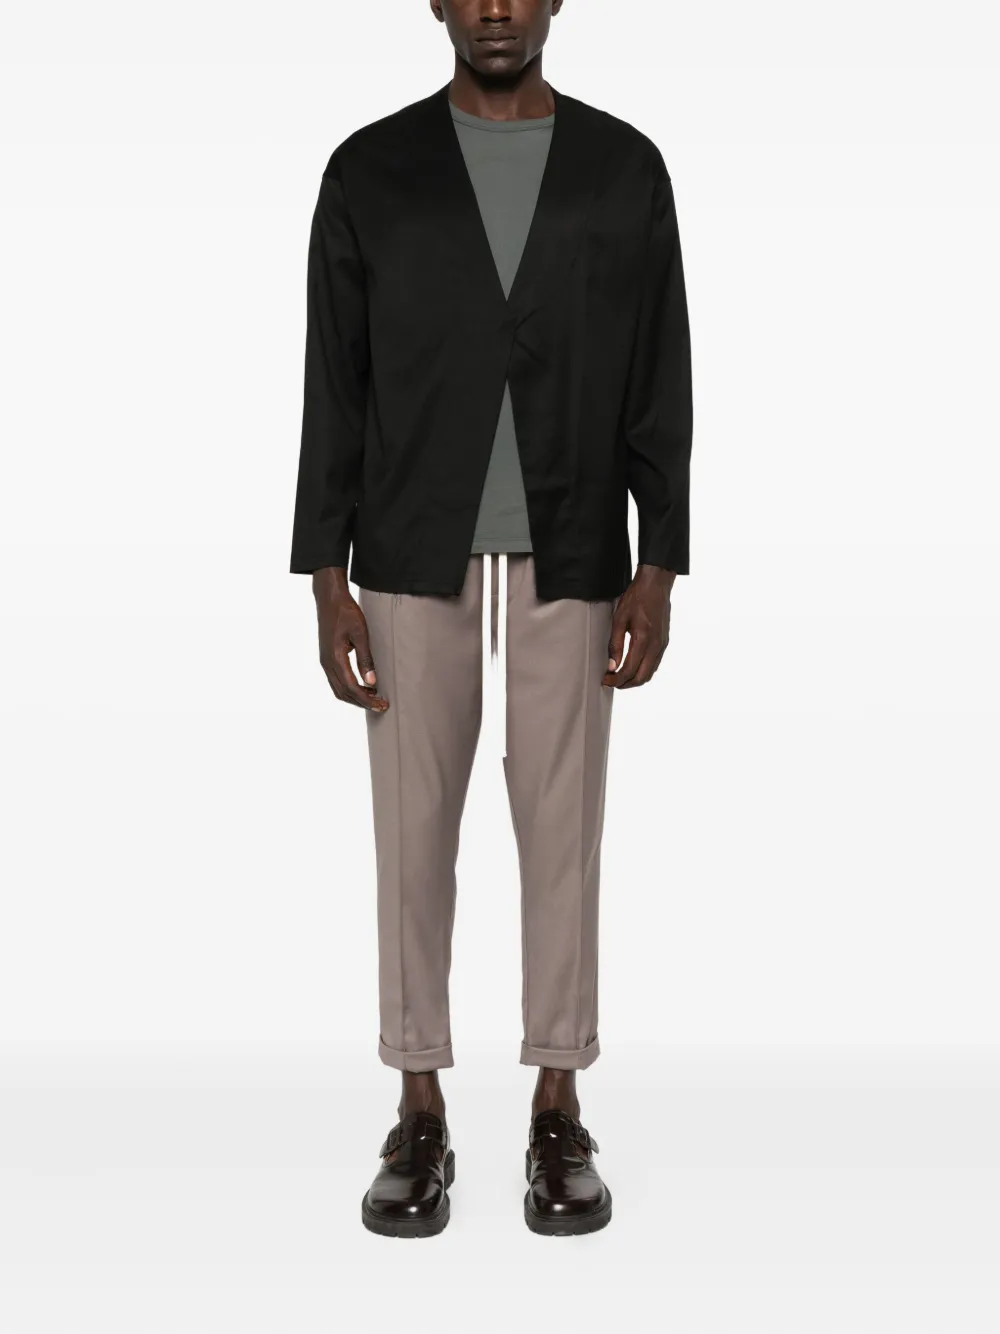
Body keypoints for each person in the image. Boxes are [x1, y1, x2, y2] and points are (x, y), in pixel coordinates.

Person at [290, 0, 692, 1238]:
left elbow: (660, 366)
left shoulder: (622, 170)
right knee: (411, 833)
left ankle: (557, 1100)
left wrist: (659, 559)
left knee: (563, 829)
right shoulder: (370, 172)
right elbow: (334, 377)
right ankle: (417, 1103)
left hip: (574, 539)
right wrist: (324, 573)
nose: (498, 7)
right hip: (411, 535)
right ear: (436, 1)